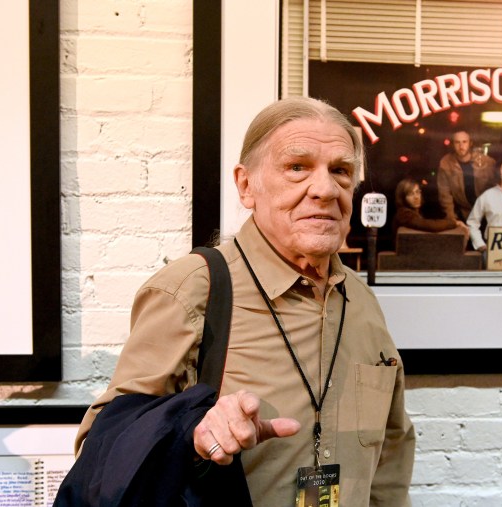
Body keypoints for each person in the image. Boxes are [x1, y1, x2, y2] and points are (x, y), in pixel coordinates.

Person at [74, 97, 416, 506]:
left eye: (340, 171)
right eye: (297, 168)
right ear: (246, 185)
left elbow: (391, 453)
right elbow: (102, 452)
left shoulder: (360, 301)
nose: (325, 189)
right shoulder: (192, 291)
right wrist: (194, 437)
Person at [436, 130, 496, 222]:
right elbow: (445, 195)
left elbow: (496, 186)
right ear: (453, 144)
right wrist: (452, 219)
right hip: (464, 214)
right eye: (457, 142)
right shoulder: (446, 164)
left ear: (470, 143)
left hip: (487, 212)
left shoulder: (485, 161)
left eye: (464, 142)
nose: (461, 146)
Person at [392, 177, 469, 237]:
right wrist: (455, 223)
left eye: (417, 192)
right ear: (403, 197)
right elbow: (430, 225)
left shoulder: (415, 212)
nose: (416, 197)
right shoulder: (403, 214)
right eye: (410, 194)